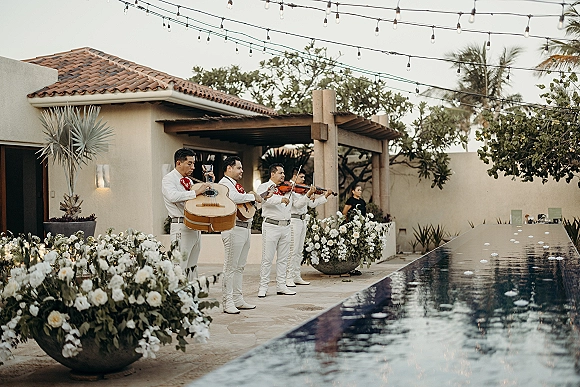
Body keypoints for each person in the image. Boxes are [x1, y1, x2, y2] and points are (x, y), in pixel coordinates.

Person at [218, 156, 262, 314]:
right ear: (229, 168)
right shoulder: (224, 184)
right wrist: (252, 196)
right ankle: (227, 301)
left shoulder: (236, 185)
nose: (242, 171)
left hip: (244, 228)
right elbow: (233, 198)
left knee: (240, 267)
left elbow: (242, 203)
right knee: (230, 267)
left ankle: (237, 298)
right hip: (233, 229)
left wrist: (256, 199)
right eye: (239, 168)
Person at [162, 148, 211, 281]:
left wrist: (209, 184)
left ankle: (191, 298)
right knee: (179, 266)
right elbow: (173, 196)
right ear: (179, 163)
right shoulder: (169, 179)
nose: (193, 167)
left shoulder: (188, 181)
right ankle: (177, 299)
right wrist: (196, 192)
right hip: (180, 226)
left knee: (192, 267)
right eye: (190, 163)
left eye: (193, 164)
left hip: (195, 226)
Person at [286, 168, 334, 287]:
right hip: (294, 220)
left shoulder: (302, 191)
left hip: (302, 220)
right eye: (301, 177)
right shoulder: (290, 189)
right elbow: (297, 205)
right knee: (293, 249)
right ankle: (288, 277)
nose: (303, 180)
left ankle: (297, 275)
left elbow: (311, 204)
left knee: (299, 250)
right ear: (294, 176)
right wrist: (307, 195)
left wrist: (325, 196)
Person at [256, 163, 296, 298]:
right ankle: (263, 287)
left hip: (286, 226)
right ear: (272, 174)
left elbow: (294, 203)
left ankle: (281, 285)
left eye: (284, 173)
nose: (283, 175)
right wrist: (280, 198)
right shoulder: (264, 186)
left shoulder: (286, 189)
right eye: (280, 173)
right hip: (271, 226)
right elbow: (265, 200)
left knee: (283, 259)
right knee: (267, 258)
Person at [342, 185, 366, 276]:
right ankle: (350, 267)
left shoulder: (362, 202)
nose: (360, 192)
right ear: (353, 191)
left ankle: (355, 267)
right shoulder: (351, 201)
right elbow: (345, 212)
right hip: (352, 226)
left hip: (361, 225)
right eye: (358, 190)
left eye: (361, 190)